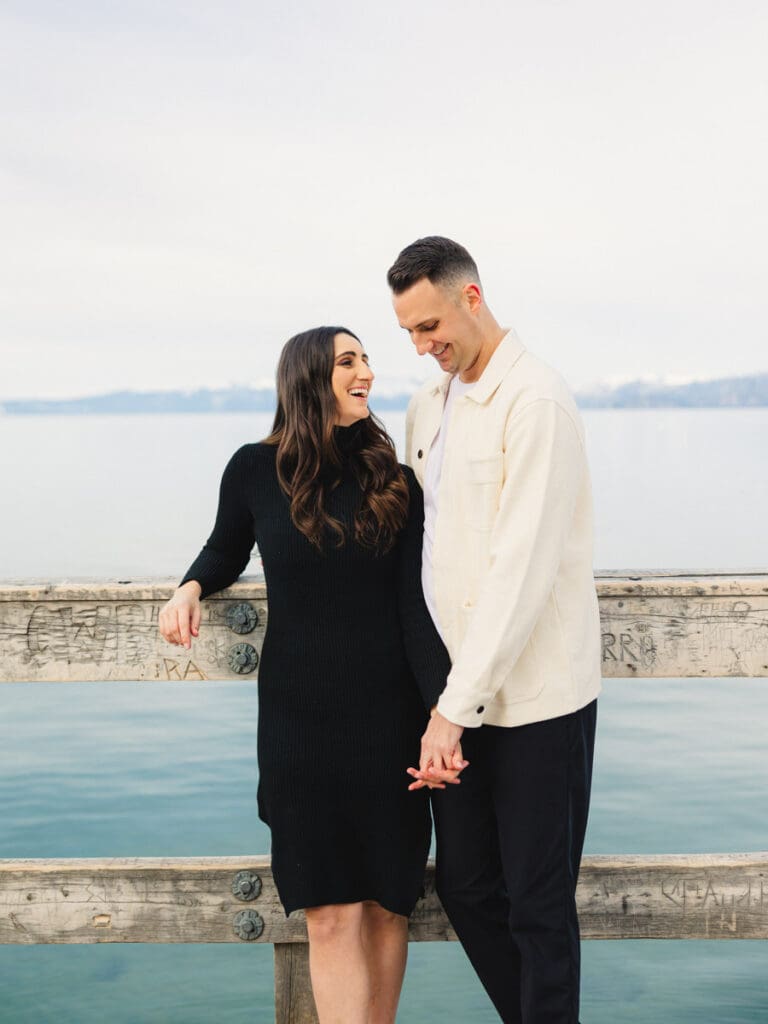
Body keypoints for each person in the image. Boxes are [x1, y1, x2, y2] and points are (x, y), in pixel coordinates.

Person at [158, 326, 450, 1024]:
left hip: (390, 721)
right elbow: (225, 547)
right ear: (307, 378)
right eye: (348, 361)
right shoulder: (255, 470)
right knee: (327, 913)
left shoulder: (396, 481)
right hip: (299, 728)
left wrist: (444, 717)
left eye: (367, 360)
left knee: (386, 907)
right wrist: (190, 587)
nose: (367, 373)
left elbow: (416, 609)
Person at [388, 237, 601, 1024]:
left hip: (538, 700)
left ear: (471, 297)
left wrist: (452, 711)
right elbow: (415, 538)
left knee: (539, 907)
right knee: (467, 885)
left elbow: (522, 569)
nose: (421, 345)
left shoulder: (536, 399)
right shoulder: (428, 403)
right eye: (408, 331)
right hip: (453, 697)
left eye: (430, 324)